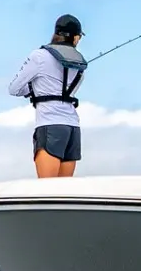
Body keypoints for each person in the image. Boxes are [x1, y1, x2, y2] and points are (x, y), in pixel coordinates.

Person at [8, 14, 88, 178]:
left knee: (46, 187)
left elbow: (14, 89)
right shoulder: (79, 63)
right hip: (72, 128)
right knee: (64, 189)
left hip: (50, 125)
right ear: (74, 37)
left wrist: (33, 89)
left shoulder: (39, 56)